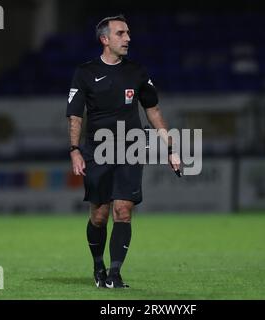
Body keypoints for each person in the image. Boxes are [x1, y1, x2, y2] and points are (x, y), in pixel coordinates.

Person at [66, 14, 181, 289]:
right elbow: (75, 116)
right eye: (121, 33)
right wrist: (75, 150)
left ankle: (115, 275)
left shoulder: (137, 72)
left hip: (131, 147)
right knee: (99, 215)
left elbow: (153, 112)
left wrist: (171, 149)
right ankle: (98, 266)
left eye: (128, 32)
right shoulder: (84, 72)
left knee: (123, 210)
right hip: (98, 150)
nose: (128, 38)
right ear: (105, 39)